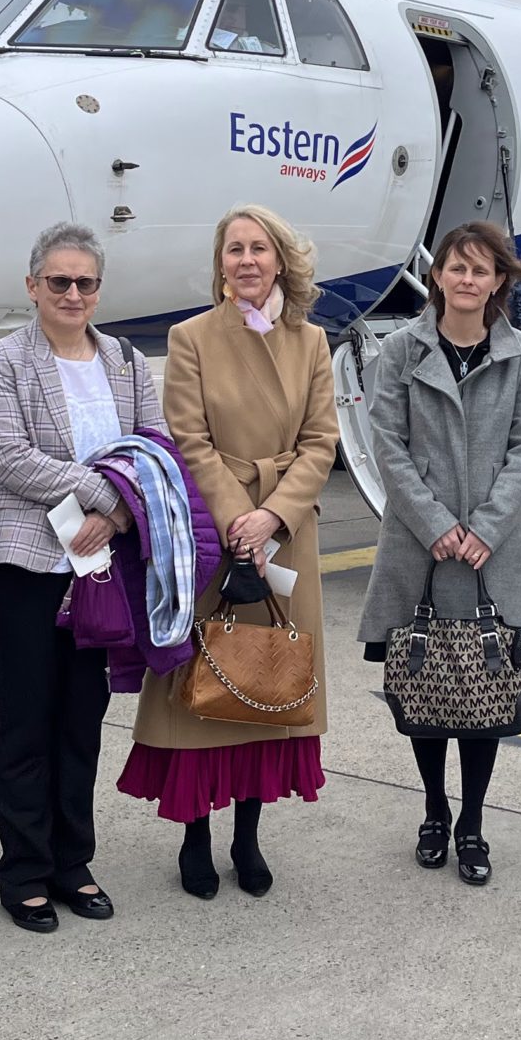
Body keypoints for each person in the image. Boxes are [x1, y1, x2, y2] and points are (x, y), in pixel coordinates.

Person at [124, 205, 339, 899]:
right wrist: (236, 518)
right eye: (234, 249)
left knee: (268, 681)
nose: (246, 260)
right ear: (221, 263)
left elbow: (320, 441)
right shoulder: (189, 337)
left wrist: (274, 512)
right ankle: (195, 837)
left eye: (259, 248)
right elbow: (188, 438)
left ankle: (247, 836)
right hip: (213, 532)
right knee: (202, 688)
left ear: (281, 259)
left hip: (284, 530)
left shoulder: (311, 341)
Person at [0, 223, 157, 933]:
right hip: (28, 559)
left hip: (101, 561)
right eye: (58, 282)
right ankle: (23, 871)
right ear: (32, 286)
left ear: (98, 290)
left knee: (81, 719)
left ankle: (72, 861)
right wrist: (106, 495)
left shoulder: (128, 360)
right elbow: (9, 456)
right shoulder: (0, 361)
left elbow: (152, 445)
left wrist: (117, 513)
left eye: (85, 283)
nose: (72, 293)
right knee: (24, 721)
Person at [356, 222, 521, 886]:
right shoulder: (402, 351)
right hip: (421, 546)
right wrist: (437, 524)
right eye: (456, 268)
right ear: (436, 276)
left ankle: (472, 822)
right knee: (426, 683)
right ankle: (434, 810)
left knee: (487, 690)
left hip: (491, 553)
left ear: (498, 280)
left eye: (481, 270)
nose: (467, 280)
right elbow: (387, 443)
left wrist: (488, 528)